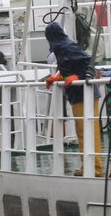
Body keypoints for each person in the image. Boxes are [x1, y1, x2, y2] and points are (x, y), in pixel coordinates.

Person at [45, 22, 103, 177]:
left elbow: (87, 63)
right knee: (82, 132)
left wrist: (77, 76)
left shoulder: (67, 47)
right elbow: (67, 68)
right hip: (77, 95)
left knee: (89, 132)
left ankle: (96, 169)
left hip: (85, 94)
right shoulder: (62, 48)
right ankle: (87, 166)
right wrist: (57, 77)